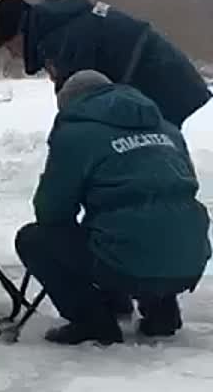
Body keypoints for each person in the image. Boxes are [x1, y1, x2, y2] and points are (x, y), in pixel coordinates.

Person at [15, 69, 211, 346]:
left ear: (71, 103)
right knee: (155, 216)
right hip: (190, 257)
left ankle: (92, 322)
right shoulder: (166, 128)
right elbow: (177, 191)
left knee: (35, 239)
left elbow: (52, 212)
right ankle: (161, 312)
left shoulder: (76, 133)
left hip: (129, 256)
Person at [0, 0, 211, 129]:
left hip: (159, 77)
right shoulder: (58, 26)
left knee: (154, 149)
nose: (13, 55)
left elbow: (80, 109)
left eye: (10, 46)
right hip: (161, 72)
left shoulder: (63, 38)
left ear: (20, 32)